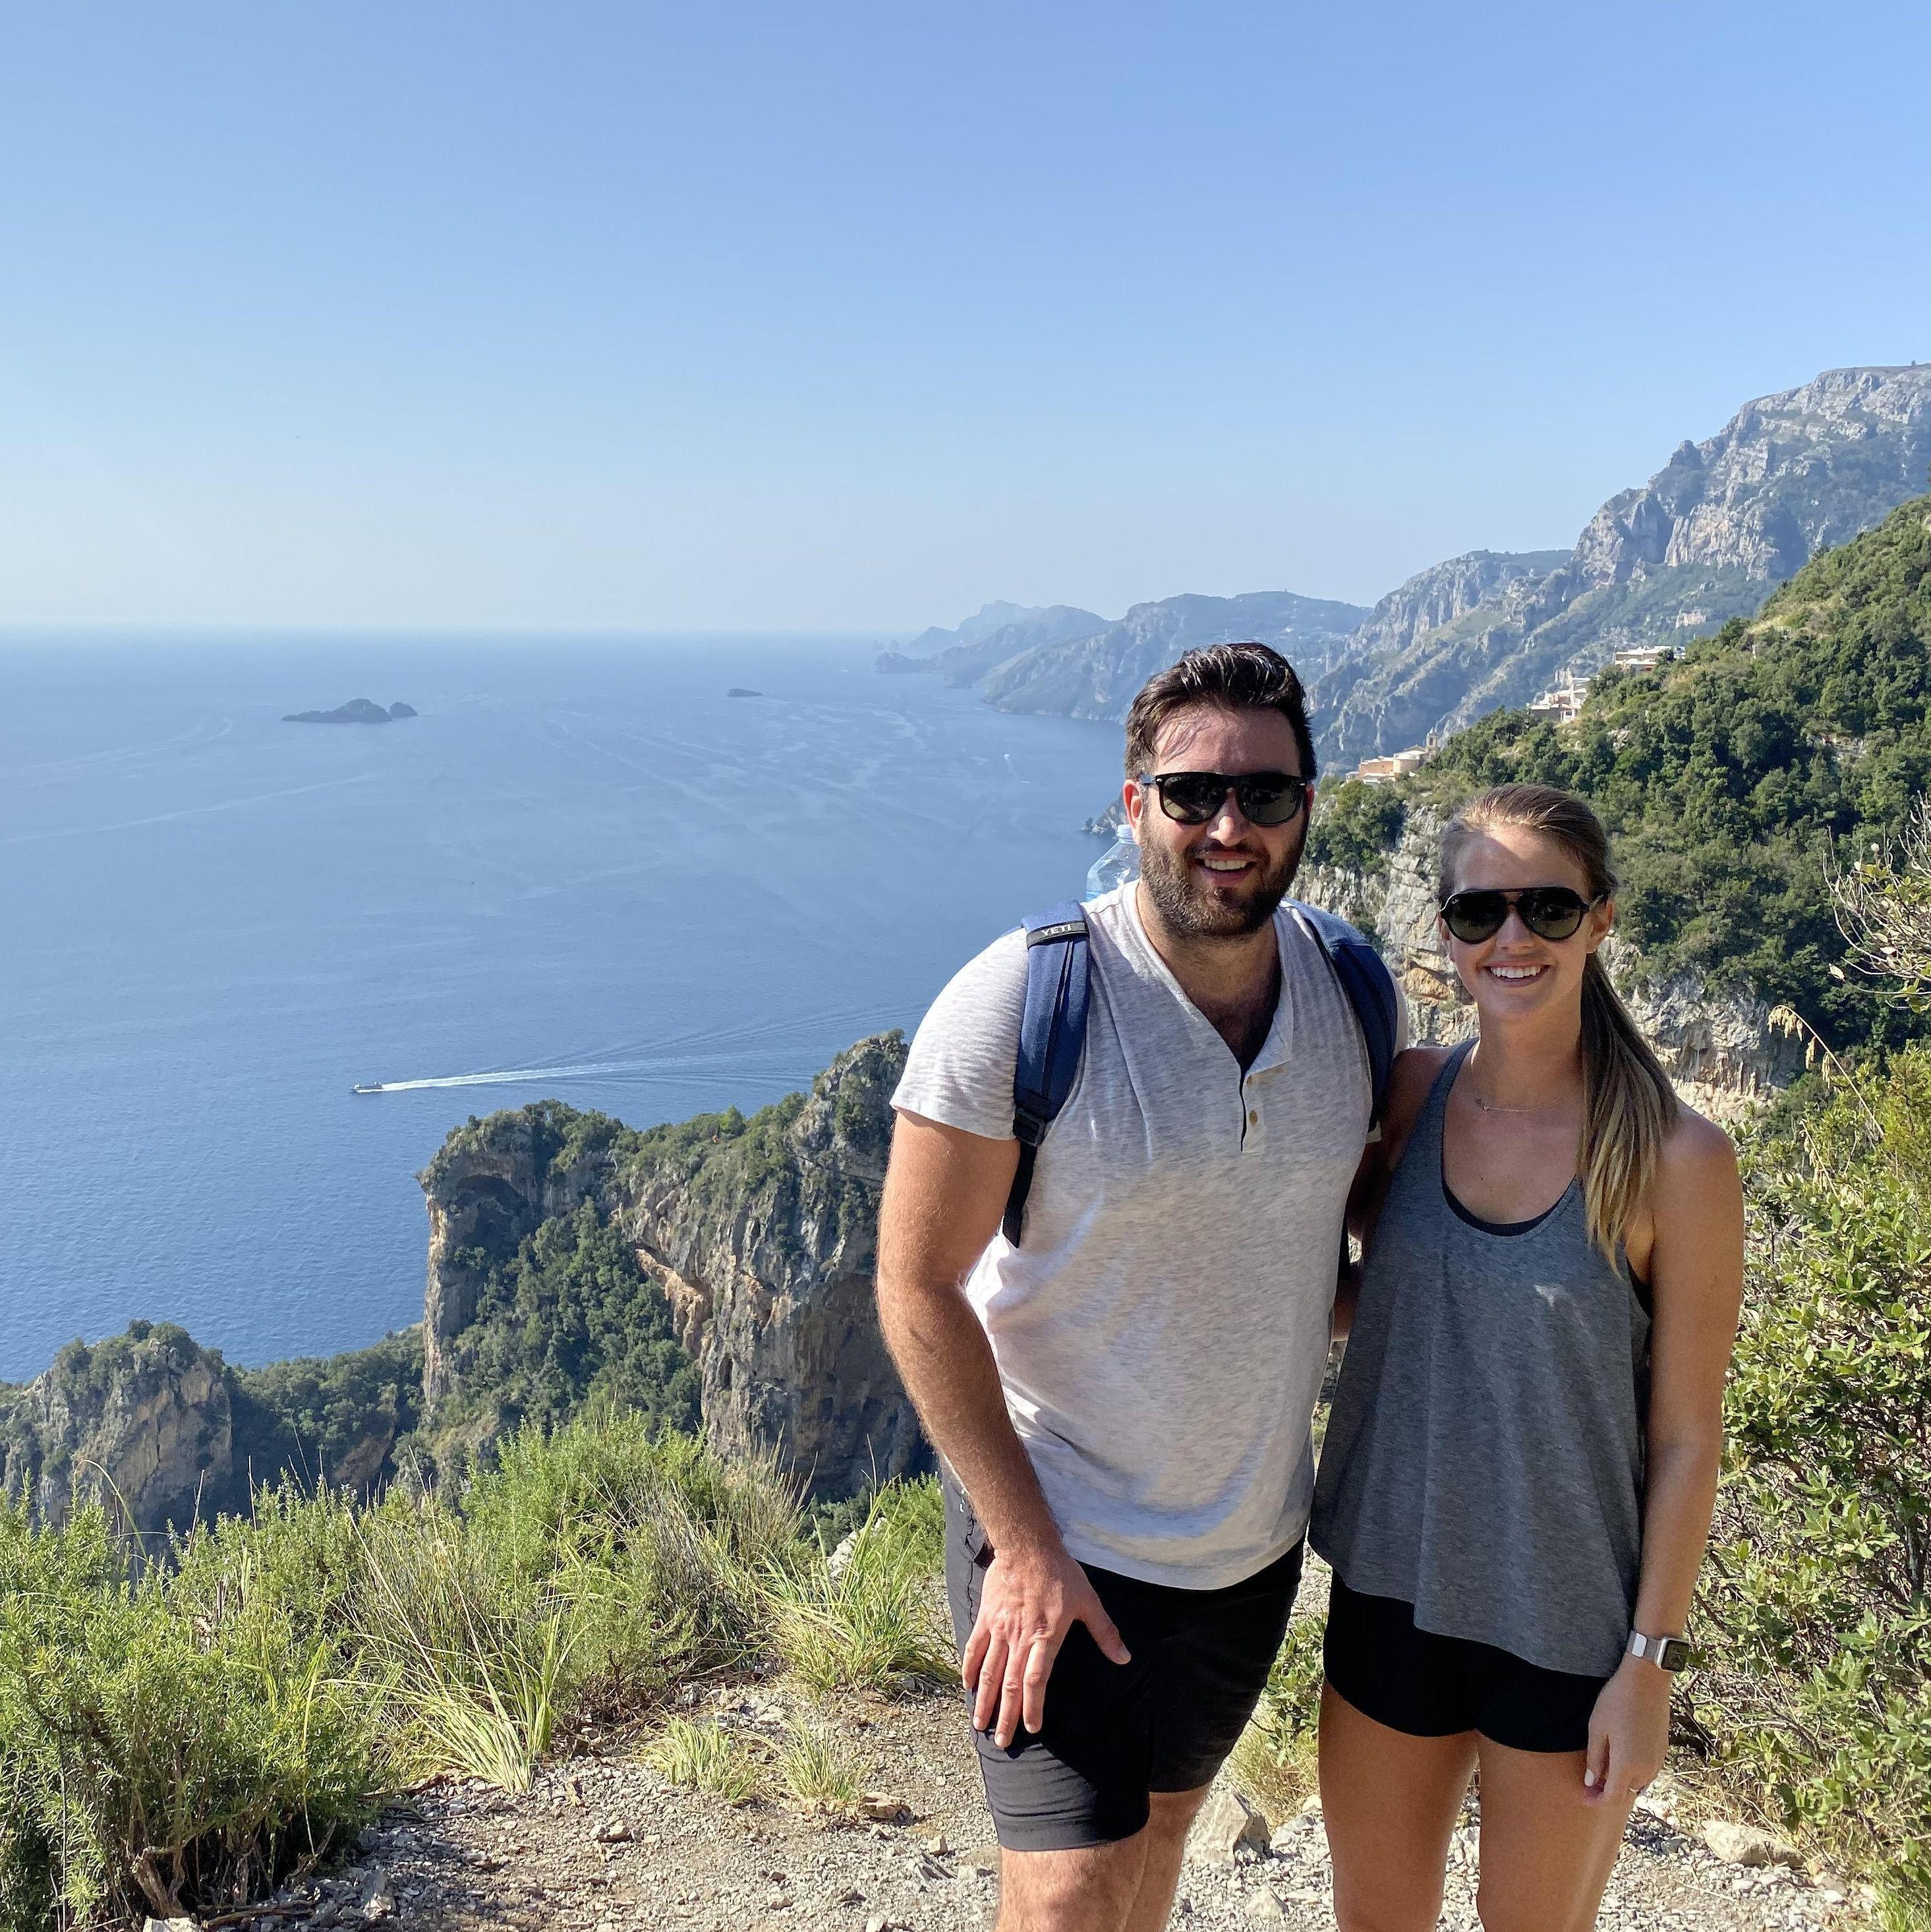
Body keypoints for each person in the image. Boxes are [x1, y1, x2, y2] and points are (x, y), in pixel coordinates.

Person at [875, 643, 1401, 1932]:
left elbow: (1319, 1268)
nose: (1229, 826)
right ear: (1133, 805)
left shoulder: (1350, 995)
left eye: (1265, 795)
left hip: (1245, 1548)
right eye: (1190, 794)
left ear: (1307, 805)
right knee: (1064, 1889)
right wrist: (1025, 1548)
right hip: (1059, 1536)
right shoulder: (1022, 999)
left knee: (1164, 1834)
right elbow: (915, 1285)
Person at [1309, 782, 1745, 1932]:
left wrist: (1647, 1664)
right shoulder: (1410, 1097)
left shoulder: (1673, 1159)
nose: (1511, 939)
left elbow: (1687, 1437)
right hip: (1389, 1583)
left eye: (1546, 909)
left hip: (1567, 1628)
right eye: (1478, 912)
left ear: (1599, 920)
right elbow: (1355, 1297)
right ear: (1444, 932)